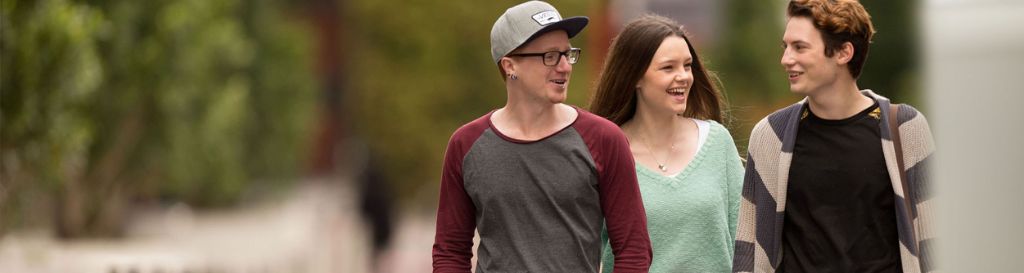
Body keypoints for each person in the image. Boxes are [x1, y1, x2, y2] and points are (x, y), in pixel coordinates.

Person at [431, 1, 653, 272]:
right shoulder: (465, 145)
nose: (565, 67)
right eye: (550, 56)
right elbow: (450, 252)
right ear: (510, 65)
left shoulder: (605, 139)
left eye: (567, 54)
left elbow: (634, 250)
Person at [732, 0, 936, 272]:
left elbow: (934, 242)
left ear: (843, 52)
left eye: (799, 47)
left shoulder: (905, 129)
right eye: (785, 47)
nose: (786, 59)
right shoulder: (771, 136)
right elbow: (748, 249)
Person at [588, 14, 743, 273]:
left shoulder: (718, 142)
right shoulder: (605, 154)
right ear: (635, 77)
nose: (683, 77)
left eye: (687, 65)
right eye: (668, 68)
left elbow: (746, 240)